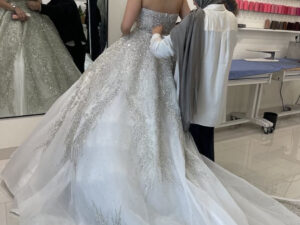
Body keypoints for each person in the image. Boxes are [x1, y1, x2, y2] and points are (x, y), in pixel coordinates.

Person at [1, 0, 300, 224]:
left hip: (135, 52)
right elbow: (187, 24)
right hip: (162, 61)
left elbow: (125, 27)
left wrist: (150, 29)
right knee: (155, 118)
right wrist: (165, 31)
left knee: (107, 110)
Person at [150, 0, 238, 162]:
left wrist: (156, 33)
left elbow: (160, 50)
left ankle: (202, 183)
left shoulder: (196, 19)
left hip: (195, 97)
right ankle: (209, 177)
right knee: (206, 143)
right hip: (215, 96)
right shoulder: (231, 18)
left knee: (194, 150)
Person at [0, 0, 80, 118]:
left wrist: (35, 4)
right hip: (12, 17)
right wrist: (14, 8)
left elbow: (38, 1)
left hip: (34, 18)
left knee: (45, 62)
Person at [26, 0, 87, 73]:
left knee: (77, 74)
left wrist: (40, 7)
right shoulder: (53, 2)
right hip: (65, 44)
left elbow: (59, 10)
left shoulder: (68, 2)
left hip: (76, 45)